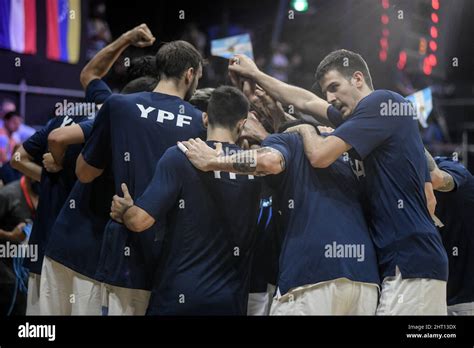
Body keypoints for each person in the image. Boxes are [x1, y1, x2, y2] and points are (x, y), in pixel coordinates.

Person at [228, 49, 448, 315]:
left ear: (357, 78)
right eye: (326, 92)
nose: (330, 98)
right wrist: (256, 75)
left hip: (410, 263)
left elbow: (319, 155)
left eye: (334, 87)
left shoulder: (380, 102)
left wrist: (303, 129)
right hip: (405, 261)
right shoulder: (373, 119)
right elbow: (307, 102)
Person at [180, 119, 380, 315]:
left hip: (311, 276)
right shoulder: (346, 155)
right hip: (366, 281)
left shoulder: (288, 140)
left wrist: (213, 161)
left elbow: (269, 161)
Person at [75, 40, 206, 315]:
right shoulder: (199, 121)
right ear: (190, 74)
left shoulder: (118, 106)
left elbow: (85, 173)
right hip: (179, 258)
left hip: (124, 252)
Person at [110, 86, 261, 315]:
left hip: (178, 298)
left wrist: (125, 211)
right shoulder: (255, 166)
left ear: (205, 118)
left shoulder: (180, 155)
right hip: (229, 303)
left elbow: (139, 221)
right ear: (242, 124)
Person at [426, 151, 474, 315]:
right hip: (434, 297)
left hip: (465, 302)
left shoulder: (450, 167)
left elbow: (436, 178)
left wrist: (404, 136)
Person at [0, 176, 38, 315]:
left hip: (28, 271)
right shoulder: (8, 195)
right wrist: (10, 236)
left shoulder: (49, 194)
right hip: (5, 271)